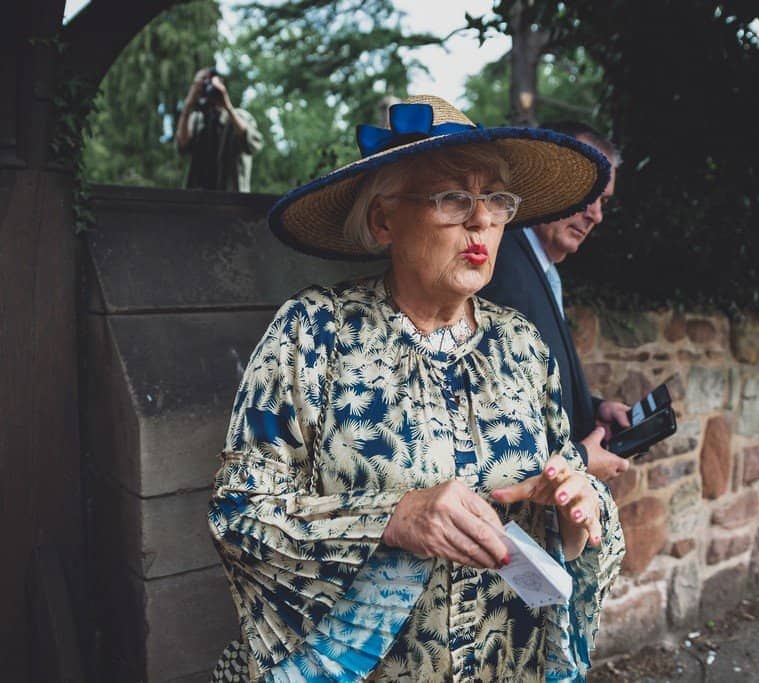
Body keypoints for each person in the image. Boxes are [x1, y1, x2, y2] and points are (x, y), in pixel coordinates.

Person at [208, 95, 624, 682]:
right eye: (454, 198)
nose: (482, 221)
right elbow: (239, 514)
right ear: (384, 221)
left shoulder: (523, 346)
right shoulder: (313, 332)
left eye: (496, 201)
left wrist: (573, 515)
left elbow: (563, 495)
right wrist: (394, 517)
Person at [480, 122, 631, 483]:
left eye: (604, 201)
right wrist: (579, 458)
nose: (596, 214)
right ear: (547, 178)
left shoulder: (542, 268)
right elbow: (498, 404)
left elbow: (534, 378)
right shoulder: (500, 264)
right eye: (588, 193)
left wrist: (593, 409)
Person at [175, 67, 263, 192]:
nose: (205, 86)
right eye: (200, 82)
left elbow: (252, 144)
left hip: (233, 200)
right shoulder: (195, 119)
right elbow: (182, 146)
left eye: (208, 82)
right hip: (197, 200)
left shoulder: (240, 116)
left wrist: (226, 105)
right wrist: (188, 104)